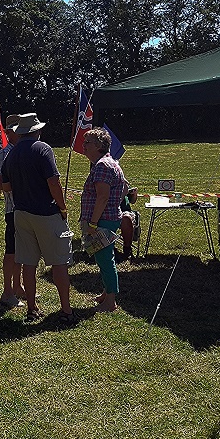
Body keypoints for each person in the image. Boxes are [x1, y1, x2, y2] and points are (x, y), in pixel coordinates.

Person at [0, 113, 75, 323]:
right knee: (59, 263)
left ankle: (32, 309)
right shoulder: (43, 149)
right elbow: (53, 182)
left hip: (21, 214)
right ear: (37, 131)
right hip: (46, 213)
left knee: (28, 263)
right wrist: (62, 207)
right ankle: (66, 310)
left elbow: (5, 186)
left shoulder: (11, 154)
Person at [80, 127, 129, 312]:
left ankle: (110, 302)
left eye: (87, 143)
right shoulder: (109, 162)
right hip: (107, 218)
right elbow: (123, 189)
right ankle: (106, 293)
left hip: (102, 220)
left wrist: (93, 223)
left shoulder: (102, 166)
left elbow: (102, 197)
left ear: (99, 146)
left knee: (106, 260)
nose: (83, 146)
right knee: (102, 259)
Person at [0, 114, 24, 310]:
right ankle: (7, 292)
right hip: (13, 208)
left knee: (21, 250)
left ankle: (18, 287)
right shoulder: (5, 153)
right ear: (10, 133)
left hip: (23, 209)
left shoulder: (19, 151)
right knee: (12, 251)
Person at [119, 187, 140, 261]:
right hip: (109, 211)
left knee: (126, 218)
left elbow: (132, 201)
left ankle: (127, 249)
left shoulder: (123, 183)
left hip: (125, 211)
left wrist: (134, 194)